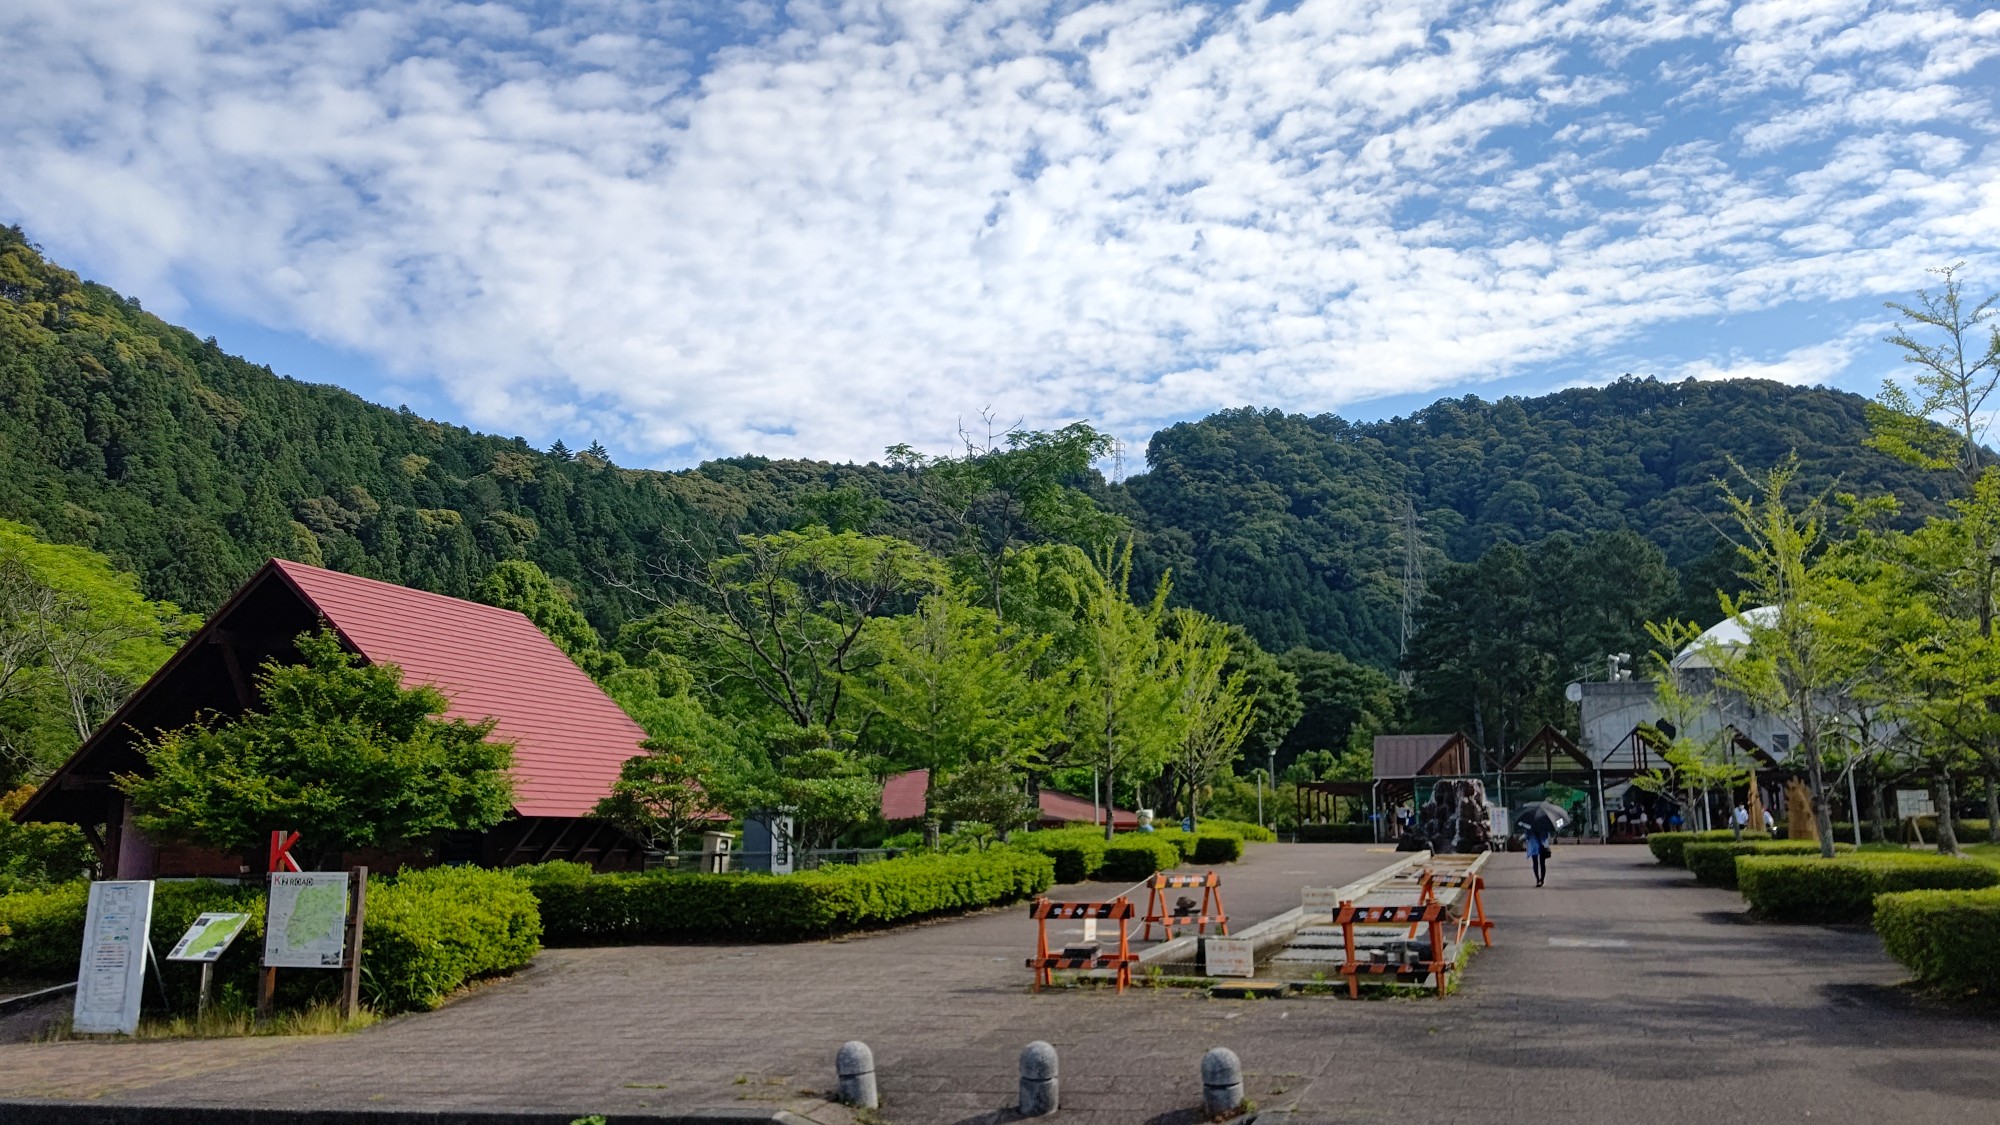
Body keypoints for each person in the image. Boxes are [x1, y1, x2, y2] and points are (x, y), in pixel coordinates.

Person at [1525, 820, 1554, 888]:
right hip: (1542, 845)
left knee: (1535, 863)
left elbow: (1527, 836)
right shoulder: (1544, 824)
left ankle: (1537, 880)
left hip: (1533, 845)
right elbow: (1547, 836)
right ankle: (1542, 879)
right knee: (1542, 863)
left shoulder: (1529, 824)